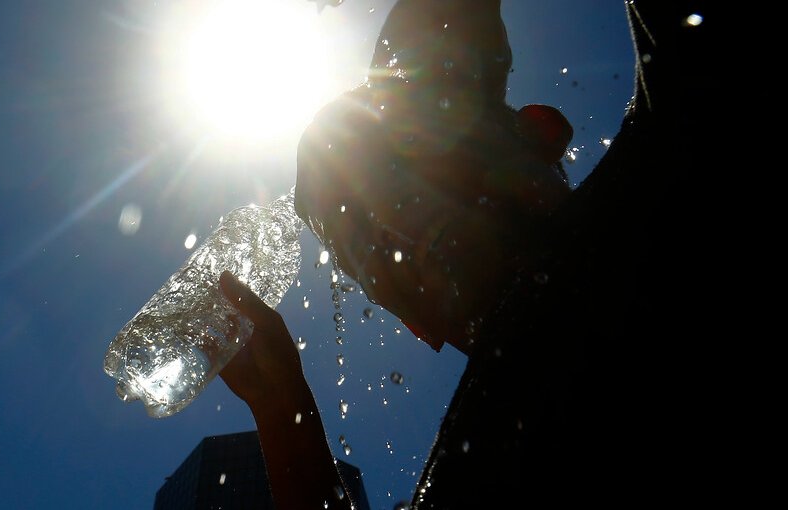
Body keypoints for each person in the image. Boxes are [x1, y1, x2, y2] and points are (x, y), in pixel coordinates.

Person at [217, 0, 713, 507]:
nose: (428, 252)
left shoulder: (666, 190)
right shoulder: (493, 419)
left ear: (535, 140)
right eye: (388, 263)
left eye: (430, 188)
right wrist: (280, 408)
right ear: (418, 325)